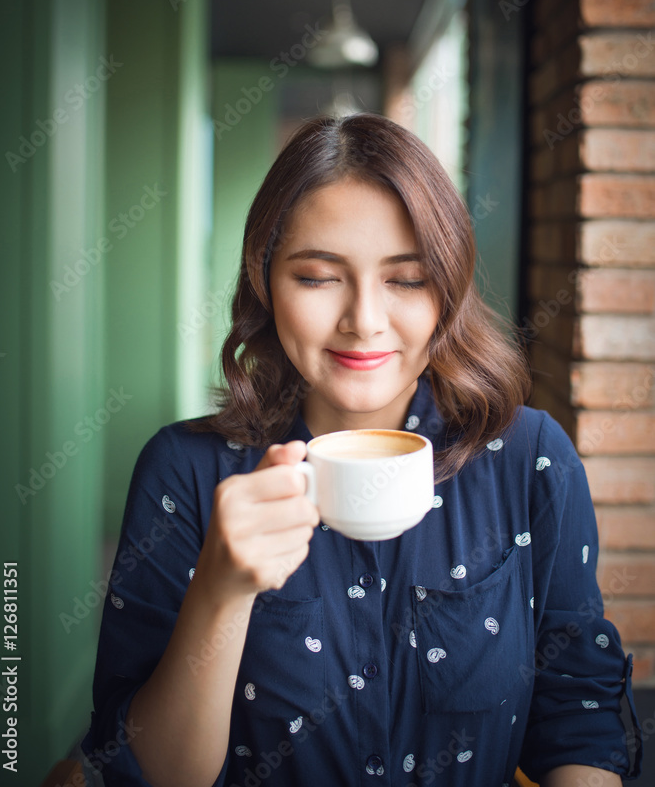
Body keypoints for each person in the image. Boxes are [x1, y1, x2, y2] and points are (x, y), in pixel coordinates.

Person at [82, 113, 641, 787]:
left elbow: (576, 714)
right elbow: (151, 774)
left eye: (405, 280)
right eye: (318, 277)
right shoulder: (185, 471)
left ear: (448, 291)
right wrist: (222, 595)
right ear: (265, 283)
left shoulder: (528, 459)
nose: (364, 321)